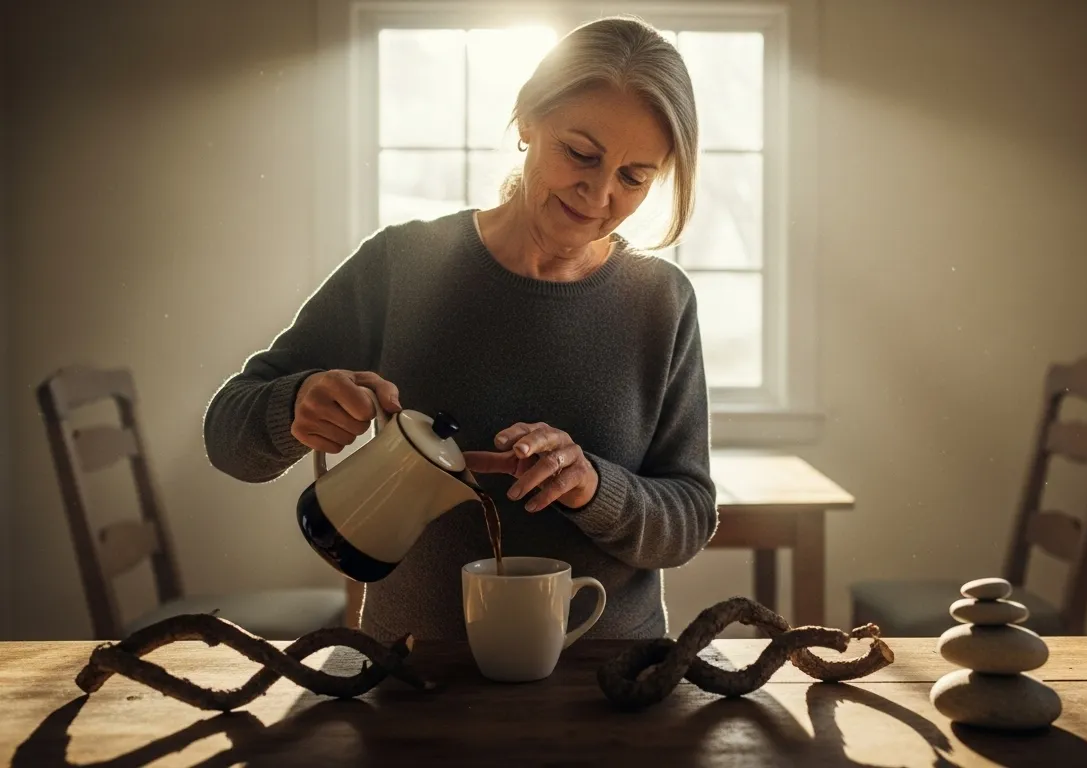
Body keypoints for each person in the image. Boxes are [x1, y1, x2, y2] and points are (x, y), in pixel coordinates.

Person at [202, 16, 717, 644]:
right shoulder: (404, 265)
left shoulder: (662, 301)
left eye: (634, 177)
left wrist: (594, 487)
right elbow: (227, 436)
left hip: (609, 685)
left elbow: (689, 517)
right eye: (580, 153)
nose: (598, 193)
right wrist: (294, 407)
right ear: (528, 120)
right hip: (413, 675)